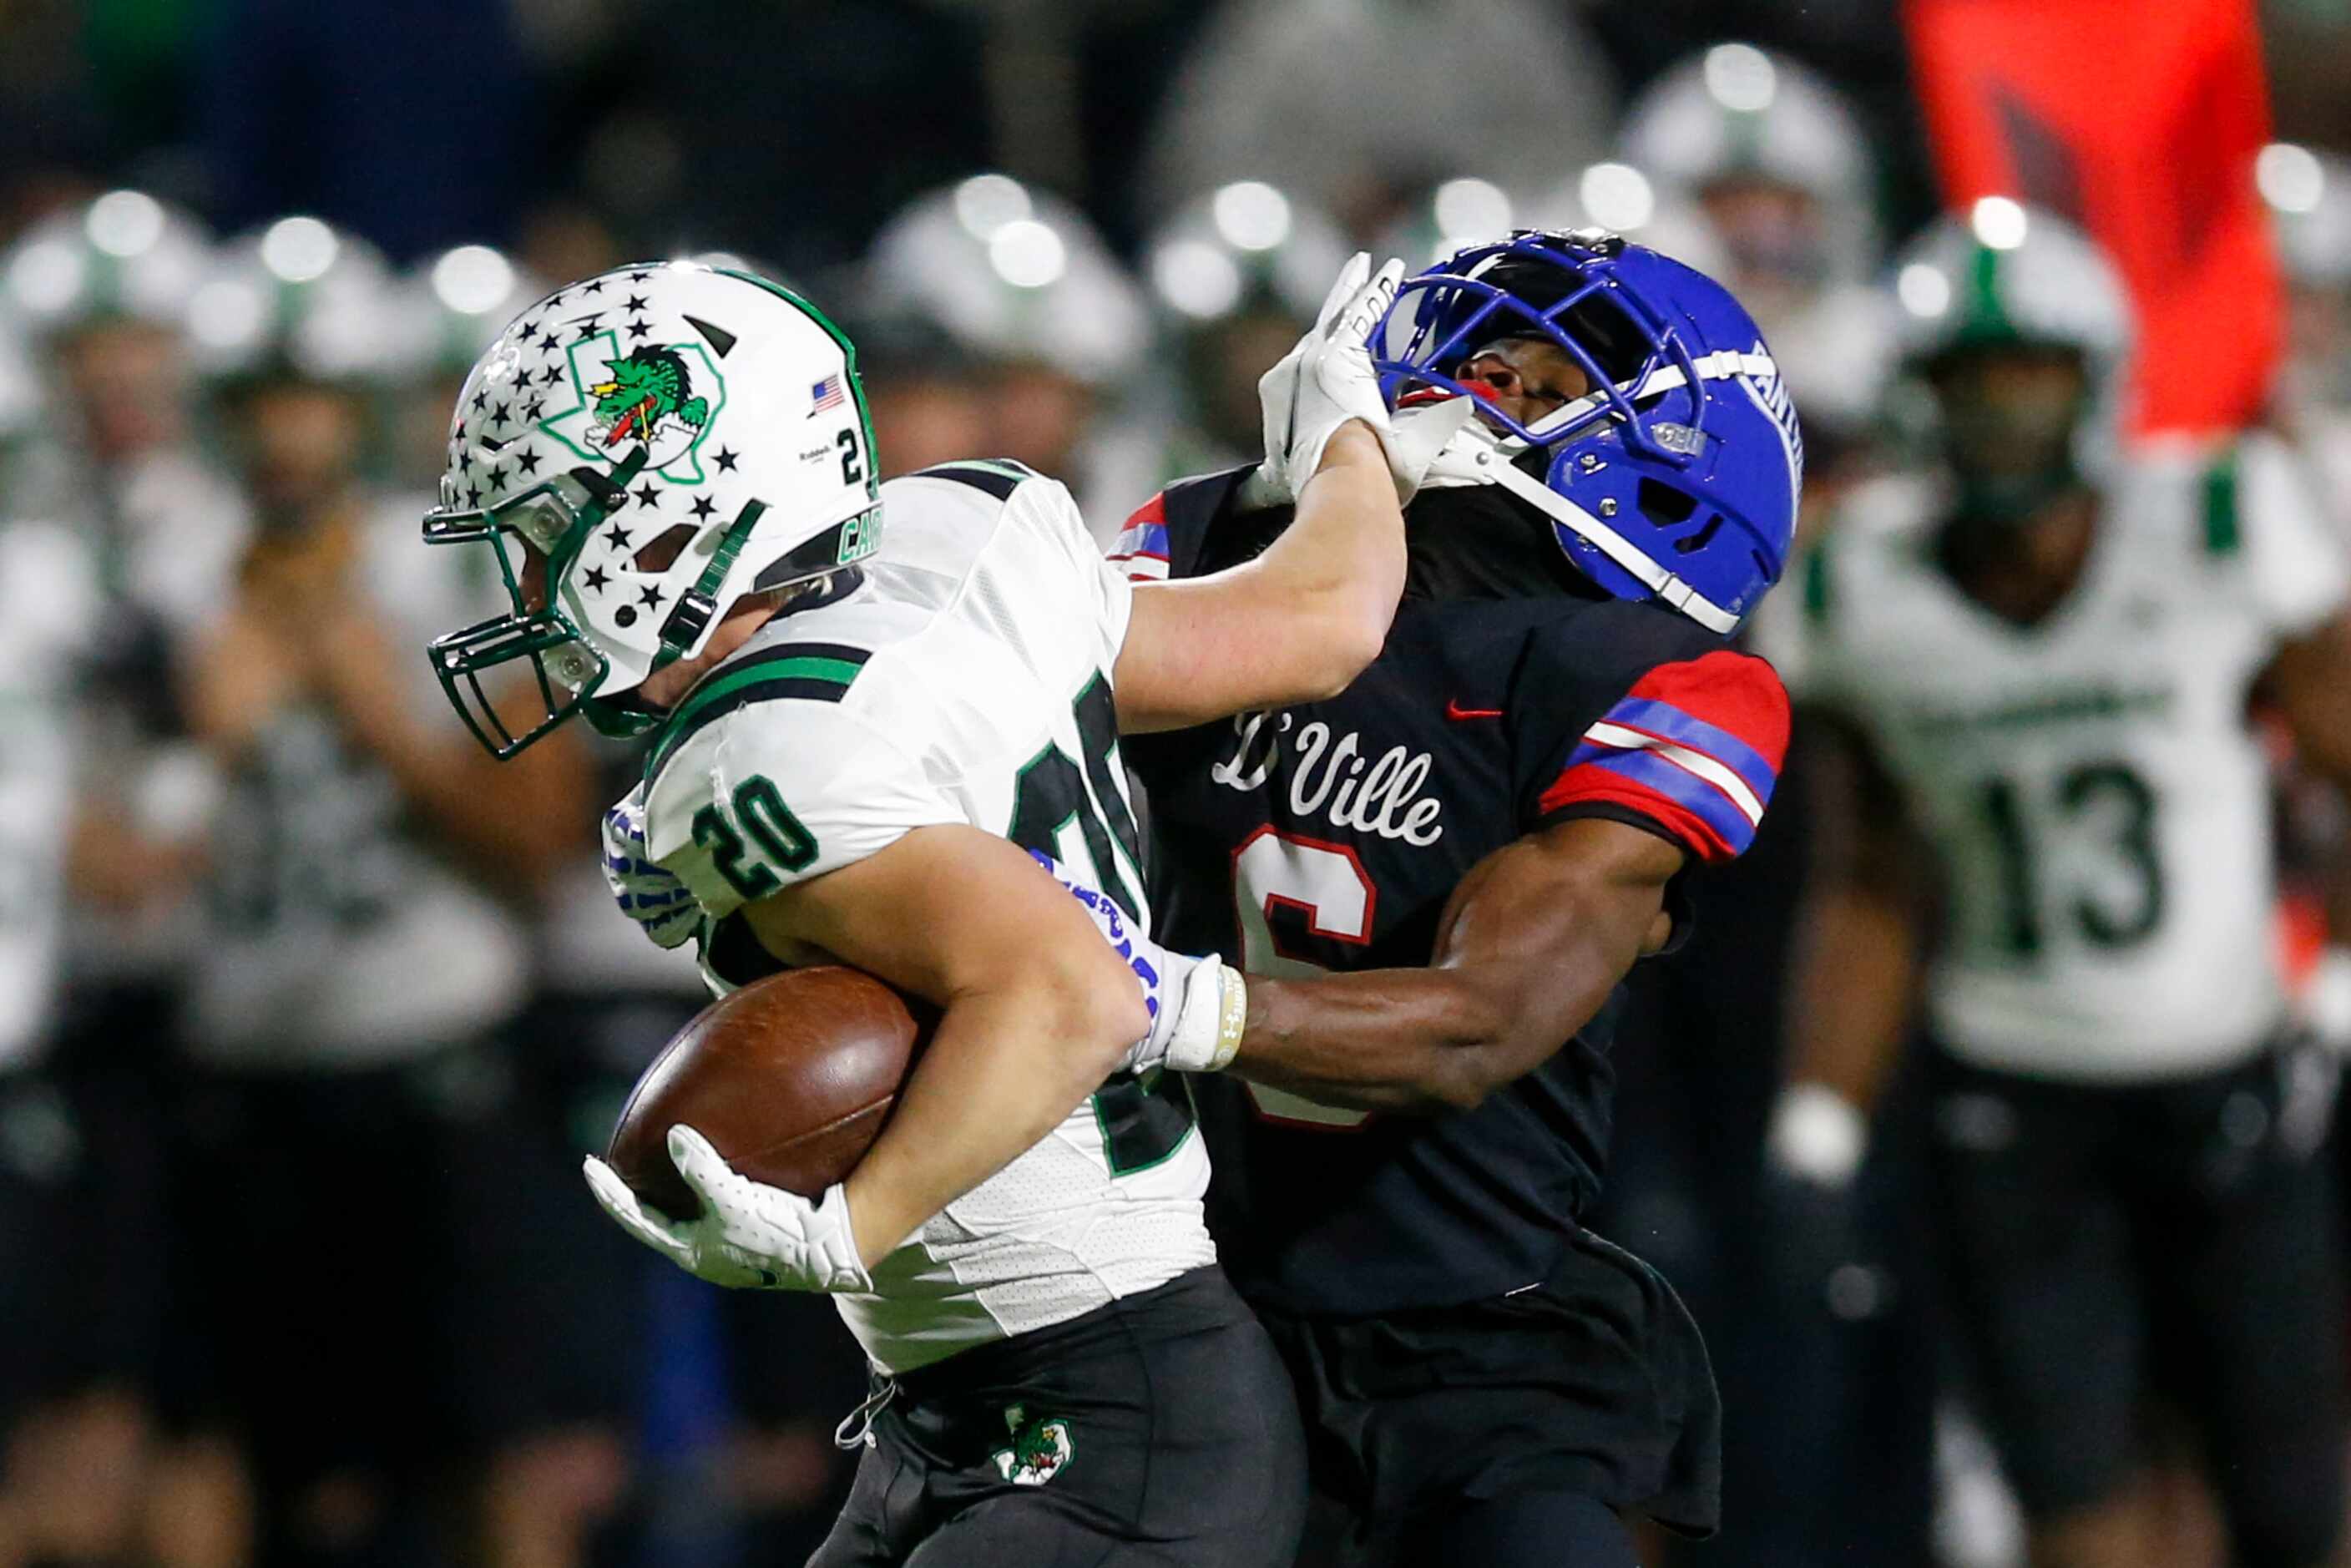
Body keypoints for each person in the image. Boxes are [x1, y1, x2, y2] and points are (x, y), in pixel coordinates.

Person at [423, 254, 1470, 1565]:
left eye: (553, 532)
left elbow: (1078, 988)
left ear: (674, 516)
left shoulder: (754, 762)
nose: (532, 593)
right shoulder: (961, 540)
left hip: (1103, 1418)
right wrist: (1350, 432)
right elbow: (1322, 619)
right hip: (1012, 1409)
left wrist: (840, 1231)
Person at [1108, 228, 1802, 1567]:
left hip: (1479, 1344)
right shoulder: (1203, 541)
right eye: (1483, 357)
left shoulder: (1638, 677)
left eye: (1538, 386)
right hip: (1180, 1305)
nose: (1470, 382)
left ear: (1665, 482)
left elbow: (1472, 1027)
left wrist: (1148, 1001)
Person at [1756, 205, 2351, 1568]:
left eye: (2028, 375)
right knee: (2072, 1494)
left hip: (2235, 1072)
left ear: (2098, 381)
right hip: (2013, 1096)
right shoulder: (1857, 584)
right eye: (1969, 384)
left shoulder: (2214, 516)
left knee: (2289, 1497)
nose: (2001, 416)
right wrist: (1820, 1120)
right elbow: (1873, 875)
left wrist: (2336, 990)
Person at [172, 217, 616, 1567]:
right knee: (281, 1472)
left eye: (309, 399)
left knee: (499, 1462)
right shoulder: (168, 572)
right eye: (255, 402)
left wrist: (382, 716)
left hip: (438, 1061)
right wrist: (198, 751)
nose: (284, 438)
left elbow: (542, 841)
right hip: (244, 1073)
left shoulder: (455, 566)